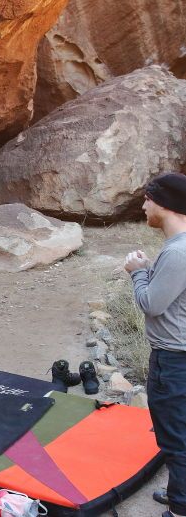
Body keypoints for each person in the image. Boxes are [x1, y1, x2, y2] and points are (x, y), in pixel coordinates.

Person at [124, 172, 186, 517]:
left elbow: (151, 304)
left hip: (174, 362)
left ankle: (180, 508)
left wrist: (137, 271)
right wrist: (150, 269)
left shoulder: (178, 253)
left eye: (148, 198)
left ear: (164, 204)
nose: (144, 205)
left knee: (176, 439)